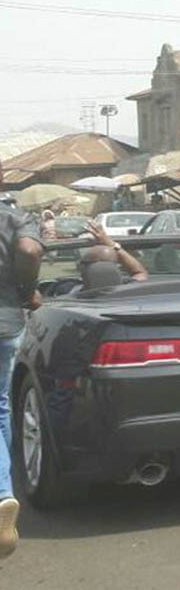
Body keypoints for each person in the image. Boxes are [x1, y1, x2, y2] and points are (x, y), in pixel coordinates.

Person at [0, 182, 44, 559]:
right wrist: (26, 289)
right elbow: (29, 250)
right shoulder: (15, 217)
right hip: (6, 320)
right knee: (1, 405)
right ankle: (3, 489)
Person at [82, 221, 149, 283]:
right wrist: (112, 244)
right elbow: (140, 272)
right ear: (114, 267)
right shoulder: (130, 288)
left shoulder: (74, 292)